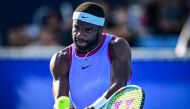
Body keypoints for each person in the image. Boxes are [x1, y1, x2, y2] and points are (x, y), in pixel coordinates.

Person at [50, 2, 131, 109]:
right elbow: (61, 99)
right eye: (76, 28)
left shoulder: (117, 46)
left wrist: (93, 107)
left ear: (100, 31)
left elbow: (120, 84)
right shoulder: (61, 58)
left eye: (88, 30)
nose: (79, 34)